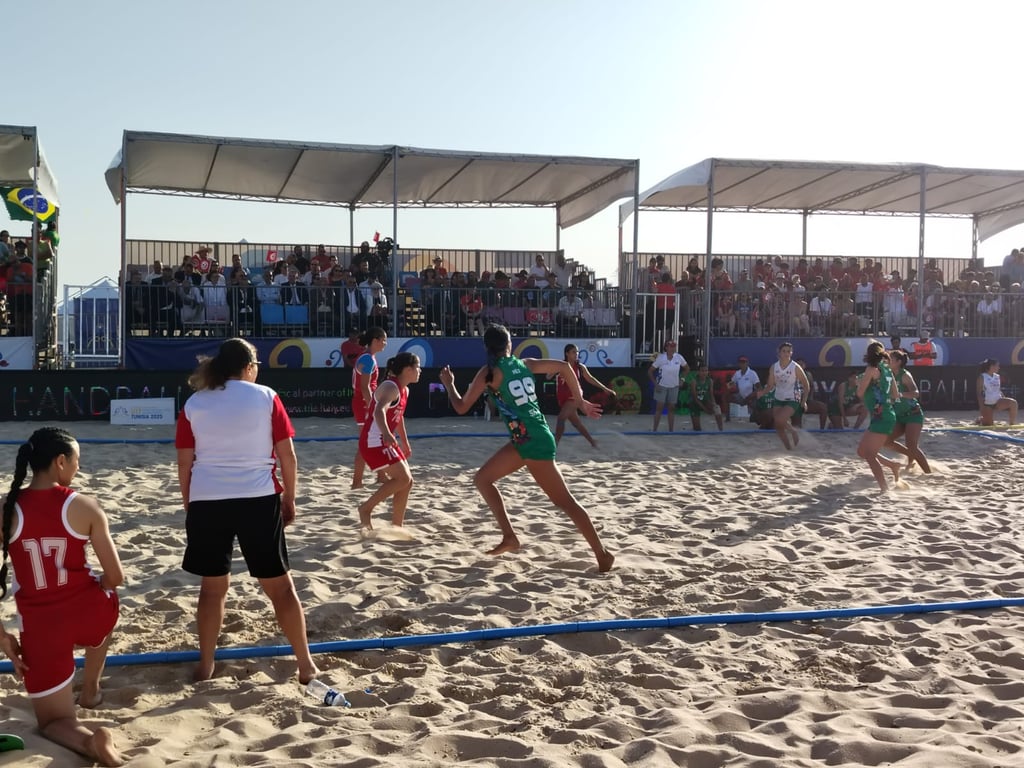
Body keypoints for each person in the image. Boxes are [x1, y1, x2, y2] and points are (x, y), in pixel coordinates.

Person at [175, 338, 318, 685]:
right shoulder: (266, 397)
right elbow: (288, 456)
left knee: (211, 589)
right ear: (249, 367)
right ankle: (305, 664)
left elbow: (184, 462)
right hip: (257, 497)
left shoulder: (196, 402)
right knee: (281, 589)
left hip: (208, 498)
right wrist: (290, 498)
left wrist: (189, 502)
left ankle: (206, 664)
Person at [438, 325, 614, 572]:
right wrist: (581, 400)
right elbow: (564, 367)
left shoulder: (489, 373)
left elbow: (460, 407)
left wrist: (449, 383)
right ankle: (509, 537)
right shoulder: (525, 364)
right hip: (527, 438)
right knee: (483, 479)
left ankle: (602, 553)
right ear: (509, 344)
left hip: (532, 441)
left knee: (565, 501)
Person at [0, 428, 125, 766]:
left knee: (54, 723)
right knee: (107, 598)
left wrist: (3, 636)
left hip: (40, 627)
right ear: (60, 462)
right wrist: (98, 583)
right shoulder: (84, 506)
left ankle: (90, 744)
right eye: (76, 462)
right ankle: (90, 690)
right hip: (87, 613)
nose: (78, 469)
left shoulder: (8, 509)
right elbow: (116, 577)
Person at [357, 353, 421, 529]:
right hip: (374, 441)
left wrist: (405, 442)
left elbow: (398, 417)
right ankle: (366, 509)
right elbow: (379, 411)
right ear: (408, 369)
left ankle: (397, 526)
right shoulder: (391, 387)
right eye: (418, 367)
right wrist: (386, 433)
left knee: (408, 482)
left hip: (382, 439)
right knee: (403, 478)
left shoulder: (404, 389)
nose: (420, 371)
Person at [855, 341, 903, 492]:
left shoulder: (871, 369)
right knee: (862, 452)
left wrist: (861, 383)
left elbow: (859, 393)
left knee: (869, 455)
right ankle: (893, 465)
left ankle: (884, 487)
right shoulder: (887, 370)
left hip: (881, 416)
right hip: (885, 414)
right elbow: (896, 395)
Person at [548, 343, 616, 447]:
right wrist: (554, 370)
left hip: (574, 396)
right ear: (567, 353)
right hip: (563, 398)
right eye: (574, 352)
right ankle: (593, 443)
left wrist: (605, 389)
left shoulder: (580, 367)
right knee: (576, 423)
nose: (577, 354)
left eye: (577, 352)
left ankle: (555, 444)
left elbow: (591, 379)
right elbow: (548, 377)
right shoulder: (561, 365)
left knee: (561, 418)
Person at [350, 327, 388, 489]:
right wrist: (373, 407)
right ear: (376, 340)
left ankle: (381, 475)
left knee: (376, 440)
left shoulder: (368, 357)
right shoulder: (367, 359)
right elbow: (365, 387)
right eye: (384, 340)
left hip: (365, 402)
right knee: (365, 443)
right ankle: (357, 482)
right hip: (364, 403)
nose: (385, 343)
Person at [886, 349, 931, 473]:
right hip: (899, 415)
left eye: (890, 359)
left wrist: (899, 394)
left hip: (913, 414)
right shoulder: (887, 374)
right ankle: (911, 456)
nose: (887, 361)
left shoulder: (904, 375)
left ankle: (928, 473)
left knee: (912, 445)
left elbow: (916, 393)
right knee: (886, 441)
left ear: (899, 362)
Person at [764, 342, 809, 450]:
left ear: (791, 353)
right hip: (779, 397)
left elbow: (806, 384)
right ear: (779, 353)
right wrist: (761, 393)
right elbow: (770, 385)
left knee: (780, 420)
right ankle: (789, 448)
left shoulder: (795, 367)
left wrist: (804, 401)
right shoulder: (774, 367)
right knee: (778, 426)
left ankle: (793, 432)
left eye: (788, 351)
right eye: (784, 351)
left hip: (793, 397)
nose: (786, 353)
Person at [649, 340, 689, 432]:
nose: (672, 348)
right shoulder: (660, 358)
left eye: (673, 346)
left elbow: (687, 368)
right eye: (670, 346)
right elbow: (650, 371)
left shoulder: (679, 357)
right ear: (666, 347)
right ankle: (655, 430)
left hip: (674, 386)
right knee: (659, 408)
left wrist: (682, 379)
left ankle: (671, 430)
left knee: (671, 408)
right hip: (661, 385)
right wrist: (655, 383)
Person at [977, 358, 1018, 426]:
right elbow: (979, 393)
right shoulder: (982, 377)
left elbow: (998, 389)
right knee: (988, 424)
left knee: (1013, 403)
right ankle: (980, 419)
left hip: (998, 401)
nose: (999, 368)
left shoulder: (997, 376)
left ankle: (1011, 424)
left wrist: (1004, 398)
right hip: (987, 404)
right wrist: (982, 407)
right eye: (997, 366)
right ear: (991, 366)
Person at [719, 355, 760, 421]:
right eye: (741, 362)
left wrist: (751, 396)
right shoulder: (737, 373)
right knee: (725, 397)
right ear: (739, 364)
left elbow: (759, 388)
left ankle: (756, 415)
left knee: (754, 419)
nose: (742, 364)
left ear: (747, 363)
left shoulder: (752, 373)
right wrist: (727, 387)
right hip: (740, 396)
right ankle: (727, 418)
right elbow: (731, 384)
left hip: (750, 397)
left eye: (744, 362)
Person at [687, 364, 723, 431]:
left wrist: (714, 404)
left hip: (705, 400)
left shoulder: (710, 381)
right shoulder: (694, 381)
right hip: (694, 403)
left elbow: (711, 395)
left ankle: (721, 430)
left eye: (706, 371)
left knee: (717, 408)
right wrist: (705, 409)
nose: (704, 373)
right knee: (697, 429)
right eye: (702, 371)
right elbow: (695, 399)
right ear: (698, 372)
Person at [795, 358, 827, 430]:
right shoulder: (791, 374)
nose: (800, 366)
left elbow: (811, 387)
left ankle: (822, 430)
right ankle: (799, 431)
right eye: (798, 364)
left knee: (823, 407)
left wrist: (809, 399)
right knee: (797, 424)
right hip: (795, 402)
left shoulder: (808, 374)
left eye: (801, 364)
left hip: (806, 401)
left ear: (804, 366)